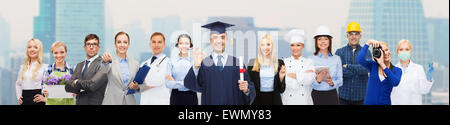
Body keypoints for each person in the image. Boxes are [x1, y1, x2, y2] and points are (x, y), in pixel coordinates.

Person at [184, 21, 256, 105]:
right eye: (215, 37)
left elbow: (248, 87)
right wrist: (195, 67)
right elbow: (192, 85)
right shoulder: (204, 64)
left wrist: (246, 90)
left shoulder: (237, 63)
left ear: (226, 40)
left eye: (222, 37)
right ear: (210, 41)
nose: (219, 41)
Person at [65, 34, 109, 105]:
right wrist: (82, 84)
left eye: (94, 44)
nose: (91, 47)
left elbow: (92, 85)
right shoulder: (79, 65)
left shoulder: (104, 64)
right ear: (84, 47)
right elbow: (68, 87)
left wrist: (76, 82)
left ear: (98, 47)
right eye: (88, 44)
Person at [335, 22, 371, 105]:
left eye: (356, 34)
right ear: (347, 36)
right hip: (343, 98)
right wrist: (358, 69)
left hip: (361, 98)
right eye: (351, 34)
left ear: (360, 36)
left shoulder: (366, 52)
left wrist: (348, 66)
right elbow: (338, 72)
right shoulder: (340, 52)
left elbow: (366, 69)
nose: (353, 37)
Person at [358, 40, 402, 105]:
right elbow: (360, 59)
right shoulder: (373, 66)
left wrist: (382, 64)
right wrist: (368, 42)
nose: (386, 53)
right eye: (382, 52)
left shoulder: (397, 70)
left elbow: (395, 82)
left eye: (387, 50)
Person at [101, 32, 140, 105]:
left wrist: (137, 87)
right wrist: (105, 62)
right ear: (115, 44)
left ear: (128, 44)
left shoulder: (135, 64)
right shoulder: (109, 61)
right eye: (119, 42)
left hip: (129, 102)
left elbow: (141, 85)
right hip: (111, 101)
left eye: (125, 42)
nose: (122, 45)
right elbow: (103, 72)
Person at [391, 40, 433, 105]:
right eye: (401, 49)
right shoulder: (391, 70)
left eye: (407, 49)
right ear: (397, 52)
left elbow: (424, 90)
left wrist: (428, 79)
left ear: (411, 52)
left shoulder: (418, 69)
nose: (404, 52)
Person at [247, 34, 286, 105]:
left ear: (272, 46)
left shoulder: (279, 63)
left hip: (275, 100)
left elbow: (281, 90)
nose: (266, 47)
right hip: (257, 100)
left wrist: (281, 77)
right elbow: (250, 87)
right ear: (260, 47)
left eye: (268, 44)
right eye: (263, 45)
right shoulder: (252, 63)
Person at [310, 26, 343, 105]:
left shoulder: (336, 59)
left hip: (332, 96)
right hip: (316, 95)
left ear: (329, 41)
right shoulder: (310, 59)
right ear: (316, 42)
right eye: (319, 39)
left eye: (325, 39)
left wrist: (332, 83)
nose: (323, 42)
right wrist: (317, 80)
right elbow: (308, 81)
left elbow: (340, 80)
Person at [281, 29, 315, 105]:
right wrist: (302, 76)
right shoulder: (284, 62)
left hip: (304, 101)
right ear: (289, 47)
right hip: (288, 101)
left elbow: (310, 79)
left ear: (302, 46)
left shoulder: (309, 62)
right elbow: (283, 81)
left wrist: (293, 75)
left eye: (298, 45)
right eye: (292, 45)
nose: (295, 48)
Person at [137, 32, 171, 105]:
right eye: (154, 42)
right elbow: (138, 83)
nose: (156, 45)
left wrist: (142, 84)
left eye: (159, 42)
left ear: (164, 45)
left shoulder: (168, 62)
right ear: (150, 44)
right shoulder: (144, 63)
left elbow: (157, 81)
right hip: (145, 102)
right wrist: (140, 85)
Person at [165, 34, 199, 105]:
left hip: (191, 96)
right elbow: (168, 83)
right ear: (178, 45)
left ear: (190, 45)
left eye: (186, 43)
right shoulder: (171, 62)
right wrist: (188, 83)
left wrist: (176, 82)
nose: (184, 46)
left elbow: (197, 83)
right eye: (181, 43)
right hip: (176, 96)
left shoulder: (195, 62)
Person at [15, 38, 48, 105]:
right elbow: (18, 84)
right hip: (25, 101)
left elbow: (50, 86)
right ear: (27, 50)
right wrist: (18, 96)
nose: (32, 49)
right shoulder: (22, 67)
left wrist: (46, 99)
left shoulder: (45, 67)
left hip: (38, 101)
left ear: (39, 50)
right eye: (29, 47)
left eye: (35, 47)